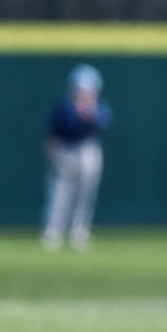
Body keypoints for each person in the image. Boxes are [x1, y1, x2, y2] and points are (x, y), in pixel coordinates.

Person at [42, 64, 111, 250]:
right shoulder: (64, 107)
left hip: (86, 149)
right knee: (60, 193)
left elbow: (104, 122)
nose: (83, 93)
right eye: (80, 89)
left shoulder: (97, 107)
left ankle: (79, 230)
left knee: (85, 194)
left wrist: (89, 112)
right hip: (65, 149)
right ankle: (53, 231)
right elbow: (54, 130)